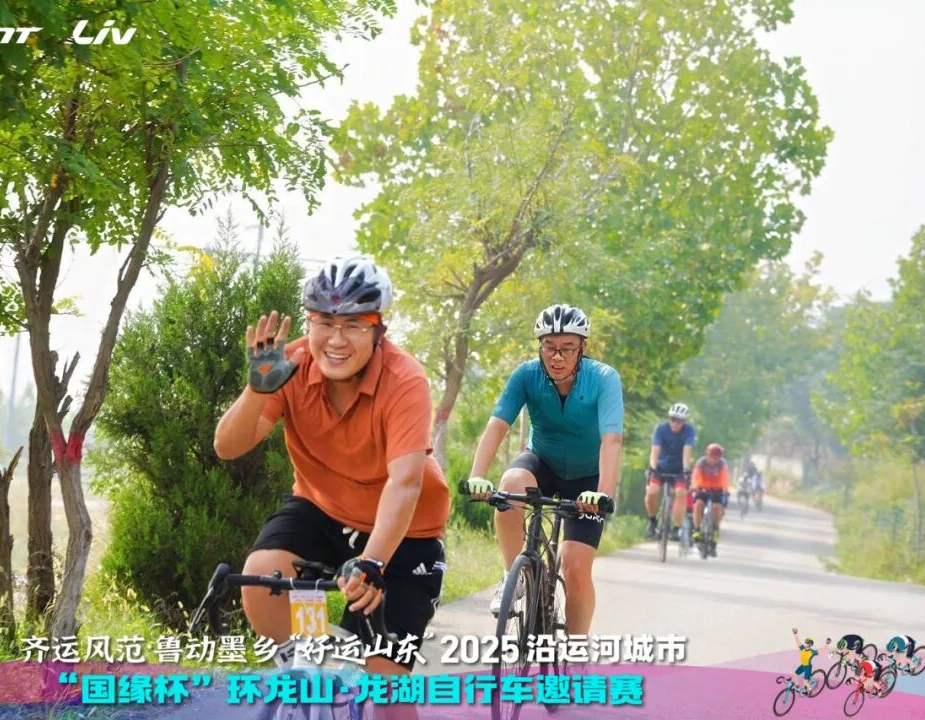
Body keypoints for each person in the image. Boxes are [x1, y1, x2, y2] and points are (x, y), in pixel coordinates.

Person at [213, 256, 450, 681]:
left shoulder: (405, 380)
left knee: (384, 688)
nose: (336, 340)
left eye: (354, 324)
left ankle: (358, 681)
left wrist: (372, 562)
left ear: (379, 330)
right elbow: (227, 447)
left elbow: (405, 482)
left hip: (404, 532)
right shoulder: (289, 364)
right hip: (321, 510)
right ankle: (308, 668)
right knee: (262, 574)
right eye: (324, 322)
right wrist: (255, 391)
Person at [465, 304, 623, 634]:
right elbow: (498, 425)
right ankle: (515, 576)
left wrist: (603, 494)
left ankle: (576, 649)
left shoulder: (604, 378)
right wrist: (478, 476)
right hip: (542, 463)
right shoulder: (526, 375)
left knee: (576, 566)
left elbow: (611, 440)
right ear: (540, 346)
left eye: (567, 348)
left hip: (587, 479)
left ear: (583, 347)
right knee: (510, 484)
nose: (557, 357)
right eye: (549, 347)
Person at [644, 403, 695, 539]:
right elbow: (655, 450)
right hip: (660, 467)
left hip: (678, 469)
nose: (676, 424)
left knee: (681, 493)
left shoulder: (689, 430)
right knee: (652, 491)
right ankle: (652, 521)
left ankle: (676, 528)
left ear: (684, 421)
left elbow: (687, 451)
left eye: (680, 421)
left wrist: (686, 469)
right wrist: (652, 467)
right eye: (673, 419)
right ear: (669, 418)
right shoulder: (661, 429)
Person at [691, 443, 729, 552]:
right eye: (712, 457)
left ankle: (715, 529)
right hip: (702, 488)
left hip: (717, 489)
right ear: (707, 455)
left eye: (716, 458)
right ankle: (697, 529)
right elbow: (695, 476)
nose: (714, 460)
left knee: (717, 507)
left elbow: (725, 478)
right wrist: (694, 487)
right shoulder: (701, 462)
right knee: (698, 505)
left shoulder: (722, 464)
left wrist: (725, 490)